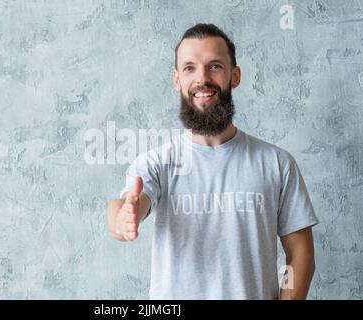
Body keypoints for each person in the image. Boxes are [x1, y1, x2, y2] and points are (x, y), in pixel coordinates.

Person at [106, 23, 319, 300]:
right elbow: (128, 203)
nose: (202, 78)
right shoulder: (157, 163)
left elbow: (300, 256)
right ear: (176, 80)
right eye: (189, 68)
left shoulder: (277, 163)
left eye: (215, 66)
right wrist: (122, 218)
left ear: (235, 76)